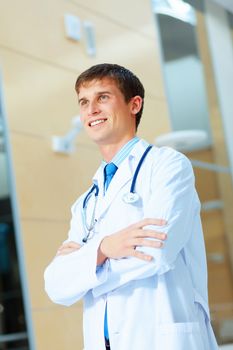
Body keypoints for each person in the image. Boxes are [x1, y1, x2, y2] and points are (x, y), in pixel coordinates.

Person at [44, 63, 218, 350]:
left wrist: (86, 267)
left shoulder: (167, 166)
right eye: (84, 102)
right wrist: (104, 248)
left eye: (103, 97)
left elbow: (155, 253)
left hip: (161, 338)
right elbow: (56, 286)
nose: (91, 110)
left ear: (134, 104)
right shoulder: (86, 202)